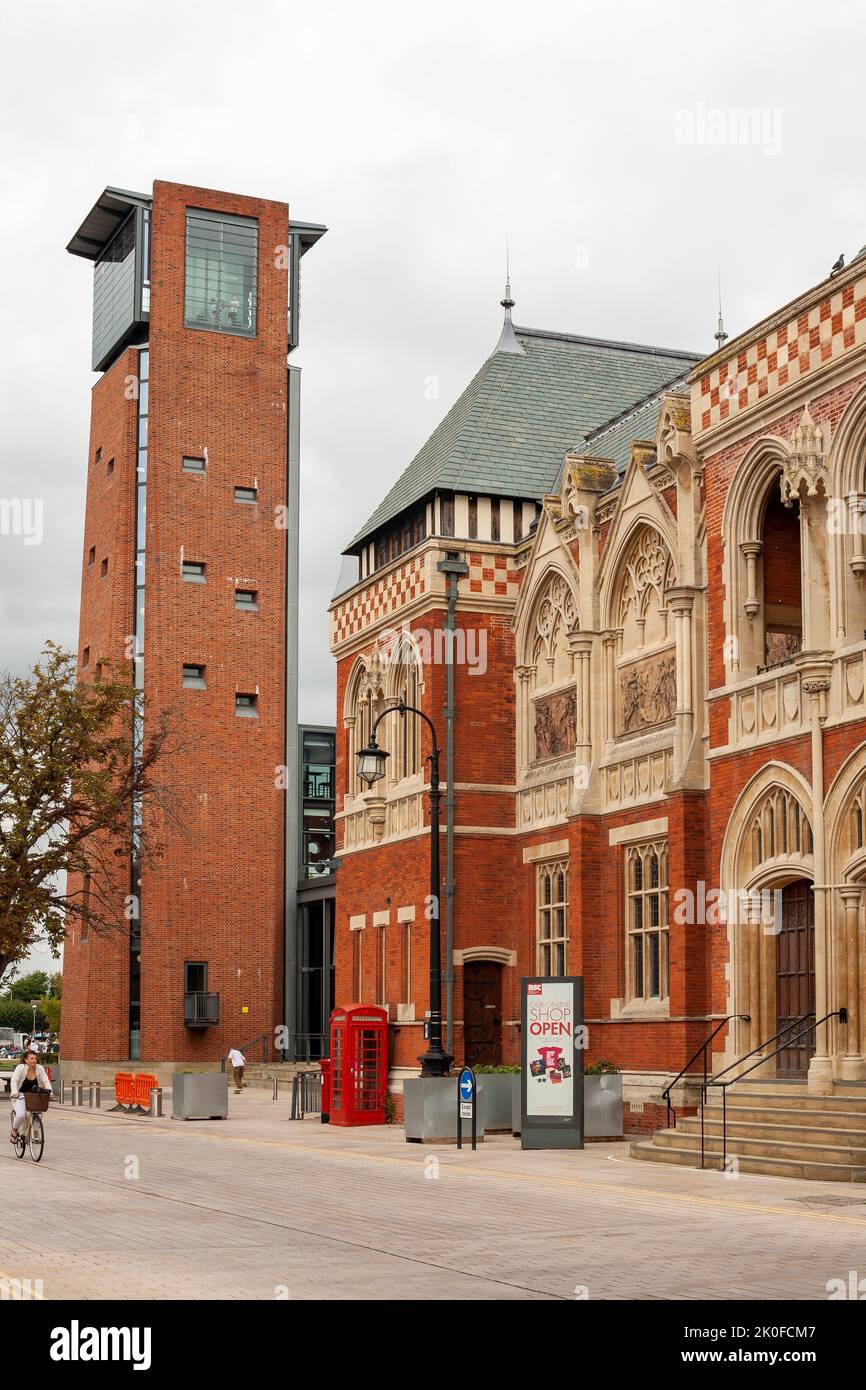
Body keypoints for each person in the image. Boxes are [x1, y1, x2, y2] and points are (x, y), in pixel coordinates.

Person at [10, 1048, 52, 1143]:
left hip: (34, 1096)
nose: (34, 1060)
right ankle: (14, 1131)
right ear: (26, 1060)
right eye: (31, 1058)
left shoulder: (39, 1068)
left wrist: (50, 1092)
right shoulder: (20, 1068)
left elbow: (46, 1081)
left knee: (37, 1113)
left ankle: (35, 1131)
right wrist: (14, 1092)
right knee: (20, 1115)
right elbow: (14, 1080)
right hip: (20, 1095)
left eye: (35, 1059)